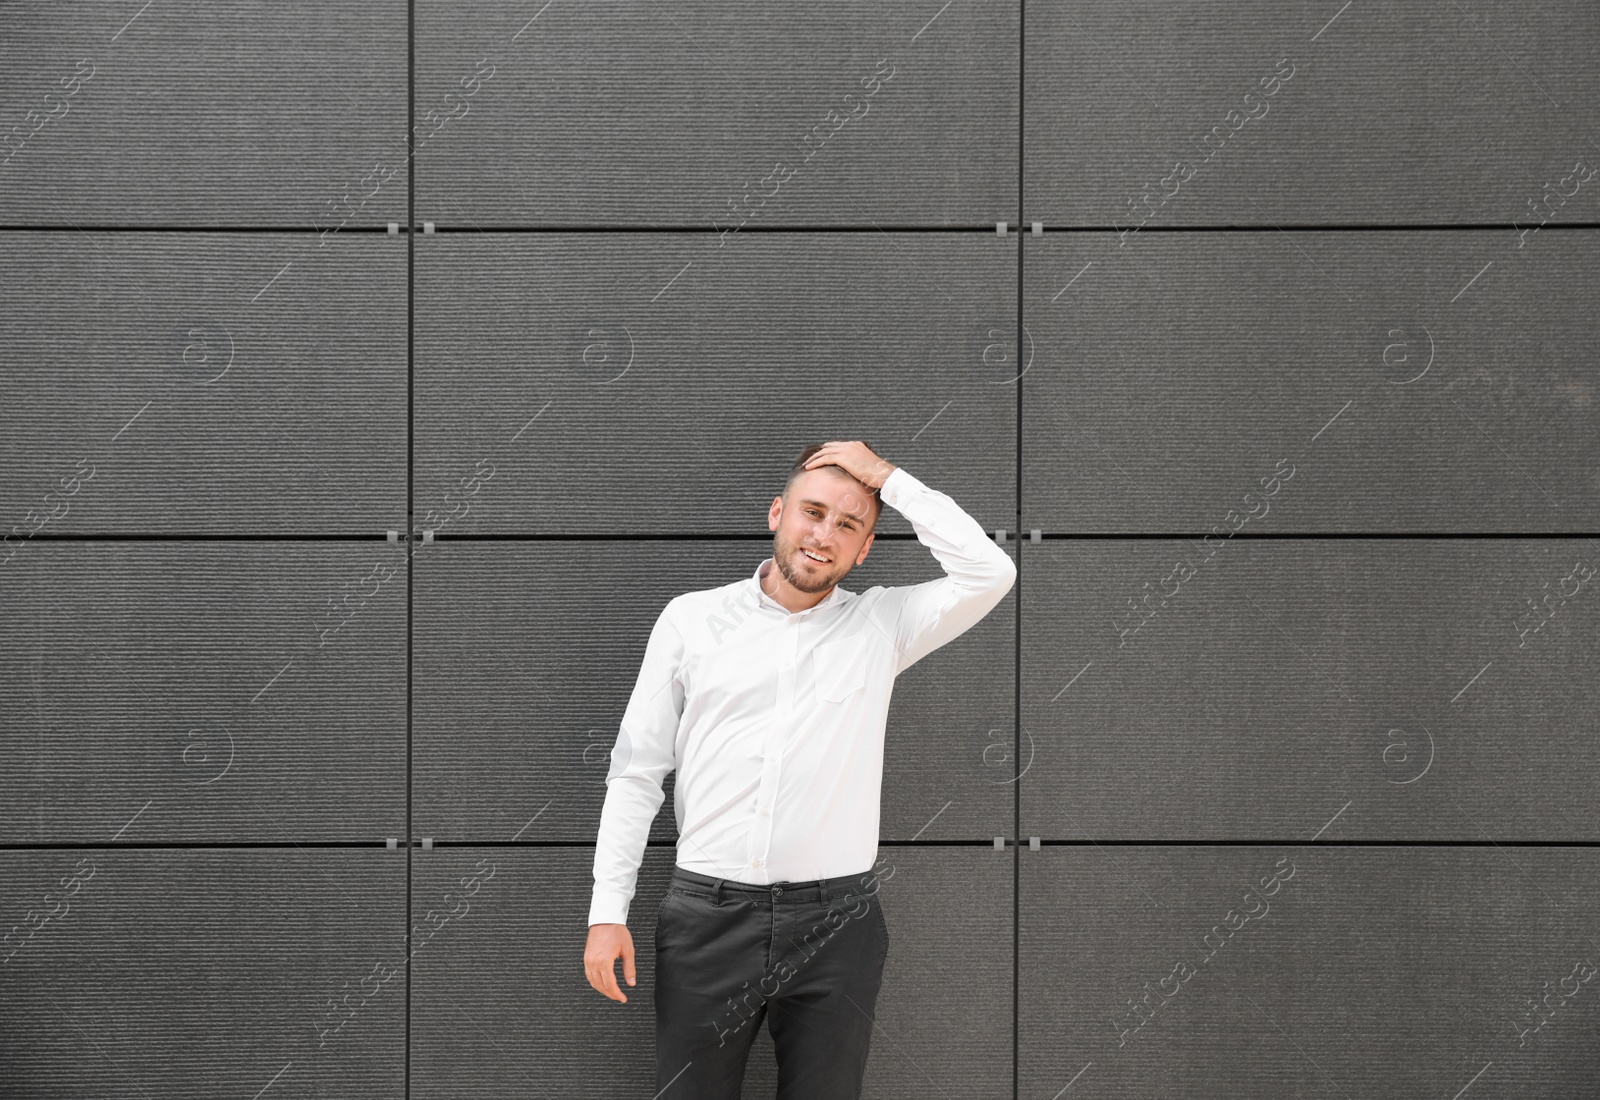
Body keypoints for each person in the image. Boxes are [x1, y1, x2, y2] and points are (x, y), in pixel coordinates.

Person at [582, 439, 1016, 1099]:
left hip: (836, 926)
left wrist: (886, 478)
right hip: (707, 917)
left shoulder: (884, 624)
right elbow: (637, 772)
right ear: (777, 513)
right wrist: (607, 910)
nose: (824, 535)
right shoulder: (691, 620)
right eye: (813, 512)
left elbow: (990, 572)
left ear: (866, 548)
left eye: (849, 524)